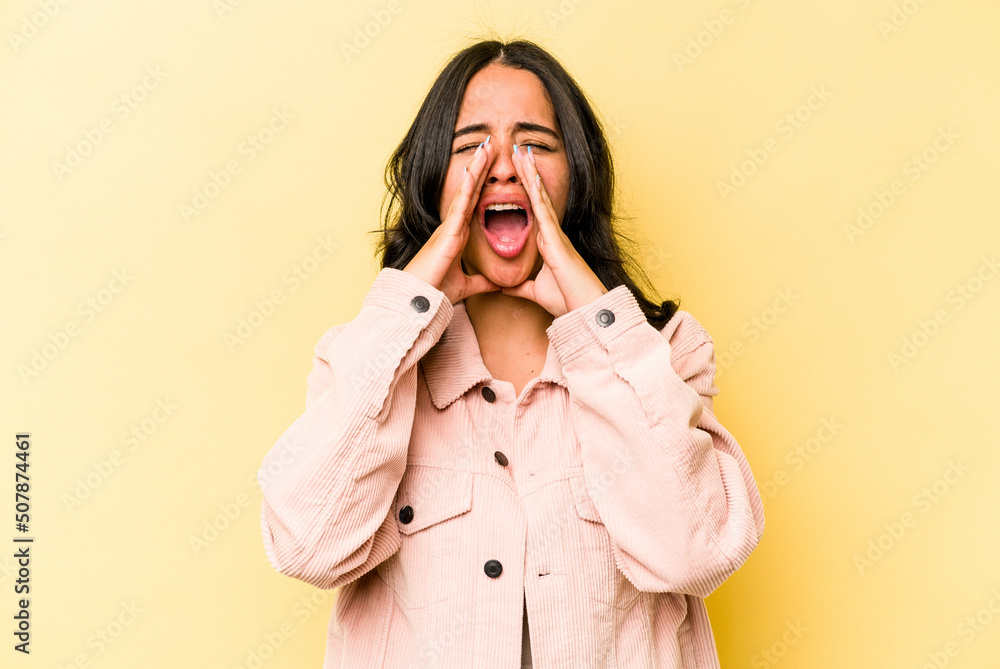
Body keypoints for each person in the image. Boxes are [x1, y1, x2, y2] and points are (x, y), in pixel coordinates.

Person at [256, 38, 765, 669]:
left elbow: (695, 553)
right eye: (469, 146)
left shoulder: (662, 354)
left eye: (535, 144)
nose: (501, 167)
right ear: (433, 184)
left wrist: (592, 313)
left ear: (575, 174)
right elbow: (308, 547)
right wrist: (407, 308)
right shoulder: (364, 363)